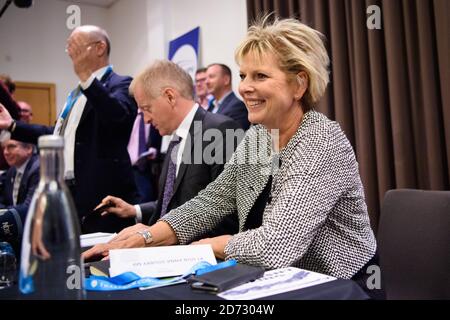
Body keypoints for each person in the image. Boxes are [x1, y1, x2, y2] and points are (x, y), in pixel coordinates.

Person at [83, 17, 376, 283]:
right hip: (286, 279)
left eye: (260, 76)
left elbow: (276, 245)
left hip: (343, 284)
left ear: (299, 84)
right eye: (243, 75)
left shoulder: (321, 140)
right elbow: (211, 202)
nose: (244, 87)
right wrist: (145, 238)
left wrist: (205, 246)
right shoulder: (258, 137)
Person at [0, 25, 138, 233]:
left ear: (100, 48)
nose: (70, 53)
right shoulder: (76, 94)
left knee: (102, 258)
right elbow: (55, 135)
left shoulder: (120, 83)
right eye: (68, 47)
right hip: (70, 191)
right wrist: (12, 125)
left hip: (103, 193)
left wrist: (86, 77)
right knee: (74, 255)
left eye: (75, 45)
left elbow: (118, 116)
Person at [94, 60, 240, 238]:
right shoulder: (177, 139)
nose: (146, 120)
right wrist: (135, 210)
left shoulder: (220, 131)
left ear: (170, 97)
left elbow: (228, 213)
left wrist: (153, 235)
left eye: (147, 109)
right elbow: (173, 204)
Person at [0, 139, 39, 255]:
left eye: (11, 147)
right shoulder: (13, 170)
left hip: (37, 237)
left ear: (28, 149)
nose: (6, 152)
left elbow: (29, 209)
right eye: (4, 148)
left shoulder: (38, 168)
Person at [206, 63, 250, 130]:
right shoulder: (211, 105)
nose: (206, 82)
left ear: (226, 80)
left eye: (211, 77)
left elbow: (233, 138)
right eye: (206, 78)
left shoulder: (238, 107)